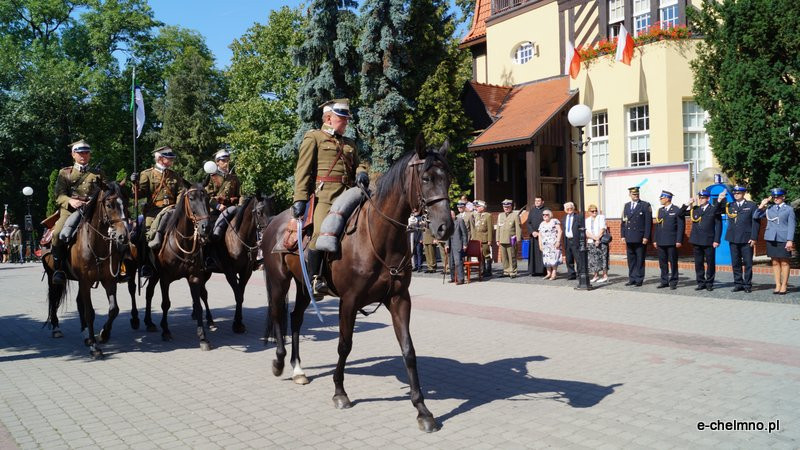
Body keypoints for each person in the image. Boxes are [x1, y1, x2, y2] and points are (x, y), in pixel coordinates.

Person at [290, 98, 369, 298]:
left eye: (347, 118)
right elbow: (303, 170)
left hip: (349, 194)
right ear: (328, 118)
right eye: (342, 118)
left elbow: (358, 164)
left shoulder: (350, 143)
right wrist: (299, 198)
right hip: (325, 196)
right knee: (320, 232)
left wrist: (361, 172)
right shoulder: (314, 137)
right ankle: (315, 279)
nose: (346, 122)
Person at [51, 140, 105, 284]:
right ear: (73, 154)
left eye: (86, 153)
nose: (84, 155)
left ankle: (118, 267)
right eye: (80, 153)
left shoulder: (97, 173)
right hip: (70, 211)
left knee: (116, 231)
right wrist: (71, 201)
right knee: (57, 234)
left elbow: (105, 193)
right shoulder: (65, 173)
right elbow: (59, 195)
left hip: (92, 210)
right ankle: (59, 269)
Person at [131, 146, 186, 277]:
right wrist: (135, 183)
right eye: (169, 158)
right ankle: (145, 265)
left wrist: (178, 207)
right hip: (154, 212)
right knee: (144, 234)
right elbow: (139, 193)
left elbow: (181, 192)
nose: (172, 160)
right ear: (160, 159)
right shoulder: (147, 174)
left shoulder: (174, 175)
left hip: (172, 210)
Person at [718, 185, 760, 293]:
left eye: (738, 193)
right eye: (735, 193)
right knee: (735, 263)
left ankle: (747, 285)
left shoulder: (751, 205)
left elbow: (756, 223)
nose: (736, 194)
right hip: (733, 238)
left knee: (748, 263)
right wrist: (720, 199)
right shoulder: (730, 205)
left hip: (746, 239)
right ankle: (738, 284)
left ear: (744, 193)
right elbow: (716, 211)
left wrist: (754, 237)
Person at [754, 188, 795, 295]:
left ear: (783, 197)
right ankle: (777, 284)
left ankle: (784, 285)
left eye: (778, 196)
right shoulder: (769, 208)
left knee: (785, 262)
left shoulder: (789, 209)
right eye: (774, 197)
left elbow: (791, 226)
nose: (776, 198)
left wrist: (790, 240)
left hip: (783, 239)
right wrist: (762, 204)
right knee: (775, 262)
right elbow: (755, 216)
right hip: (771, 238)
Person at [683, 190, 722, 291]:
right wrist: (688, 203)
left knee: (710, 263)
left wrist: (717, 240)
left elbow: (718, 225)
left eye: (703, 198)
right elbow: (680, 213)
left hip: (709, 240)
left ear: (708, 198)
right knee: (698, 263)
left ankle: (709, 283)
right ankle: (700, 282)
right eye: (699, 198)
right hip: (696, 240)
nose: (700, 200)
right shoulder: (695, 209)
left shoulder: (713, 209)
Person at [204, 148, 242, 241]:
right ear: (217, 162)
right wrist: (217, 206)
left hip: (233, 209)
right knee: (211, 234)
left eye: (228, 160)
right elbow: (207, 196)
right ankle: (210, 254)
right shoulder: (212, 177)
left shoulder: (234, 177)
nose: (226, 163)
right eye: (223, 161)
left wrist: (241, 206)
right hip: (216, 211)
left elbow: (241, 194)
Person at [653, 190, 685, 290]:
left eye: (662, 198)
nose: (660, 200)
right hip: (661, 241)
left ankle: (674, 281)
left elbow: (681, 226)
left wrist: (679, 240)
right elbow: (657, 227)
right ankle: (664, 281)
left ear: (667, 199)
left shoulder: (676, 209)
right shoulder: (660, 210)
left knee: (673, 262)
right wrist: (655, 240)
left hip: (672, 241)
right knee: (662, 263)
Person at [621, 186, 652, 287]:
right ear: (629, 194)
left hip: (640, 237)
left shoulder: (644, 205)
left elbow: (648, 223)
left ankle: (639, 279)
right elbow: (623, 221)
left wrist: (646, 237)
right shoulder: (626, 206)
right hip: (629, 237)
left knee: (640, 259)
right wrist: (623, 235)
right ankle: (632, 278)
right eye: (634, 194)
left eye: (637, 194)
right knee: (631, 260)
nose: (636, 195)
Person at [496, 199, 522, 278]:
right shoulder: (500, 215)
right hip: (502, 238)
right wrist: (497, 239)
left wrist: (518, 239)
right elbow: (498, 228)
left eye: (508, 206)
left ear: (511, 207)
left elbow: (518, 228)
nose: (506, 208)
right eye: (504, 207)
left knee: (512, 256)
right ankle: (506, 271)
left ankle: (513, 271)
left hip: (511, 238)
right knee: (504, 256)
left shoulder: (515, 215)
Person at [585, 204, 608, 283]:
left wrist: (598, 238)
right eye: (592, 211)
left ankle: (604, 275)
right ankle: (596, 275)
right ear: (589, 212)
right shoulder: (587, 220)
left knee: (603, 257)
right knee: (593, 259)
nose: (594, 212)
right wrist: (594, 238)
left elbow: (602, 228)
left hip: (601, 241)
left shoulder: (601, 217)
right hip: (591, 241)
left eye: (596, 210)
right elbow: (586, 232)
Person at [537, 209, 562, 280]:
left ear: (550, 215)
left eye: (546, 214)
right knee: (546, 259)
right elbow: (540, 235)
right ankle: (548, 273)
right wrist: (540, 244)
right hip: (545, 245)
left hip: (554, 243)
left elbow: (560, 231)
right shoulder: (542, 223)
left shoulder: (554, 221)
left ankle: (554, 274)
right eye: (543, 215)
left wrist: (558, 241)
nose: (545, 216)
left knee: (554, 258)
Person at [471, 200, 493, 277]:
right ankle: (482, 270)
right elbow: (474, 228)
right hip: (478, 239)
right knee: (479, 256)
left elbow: (490, 229)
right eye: (476, 207)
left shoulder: (488, 215)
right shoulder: (476, 215)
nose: (476, 208)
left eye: (478, 207)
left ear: (483, 207)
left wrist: (490, 240)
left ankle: (489, 270)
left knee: (486, 254)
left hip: (485, 239)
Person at [525, 196, 546, 276]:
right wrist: (532, 231)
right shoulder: (532, 210)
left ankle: (543, 271)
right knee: (533, 253)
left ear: (542, 202)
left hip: (543, 236)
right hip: (533, 236)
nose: (537, 202)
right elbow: (528, 223)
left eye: (539, 201)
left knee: (542, 253)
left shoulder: (546, 210)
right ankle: (533, 270)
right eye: (536, 201)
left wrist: (540, 233)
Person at [446, 209, 468, 284]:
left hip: (458, 244)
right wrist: (446, 245)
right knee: (451, 263)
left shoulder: (460, 221)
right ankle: (453, 278)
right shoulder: (448, 222)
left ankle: (461, 279)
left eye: (451, 215)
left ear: (454, 215)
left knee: (458, 262)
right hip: (450, 245)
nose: (451, 217)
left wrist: (465, 244)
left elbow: (465, 233)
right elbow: (447, 234)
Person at [561, 202, 581, 280]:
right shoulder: (564, 218)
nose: (569, 210)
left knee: (578, 258)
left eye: (571, 208)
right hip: (567, 240)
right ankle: (571, 274)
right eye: (567, 208)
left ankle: (580, 274)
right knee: (569, 259)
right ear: (565, 210)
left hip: (575, 240)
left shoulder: (578, 217)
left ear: (573, 208)